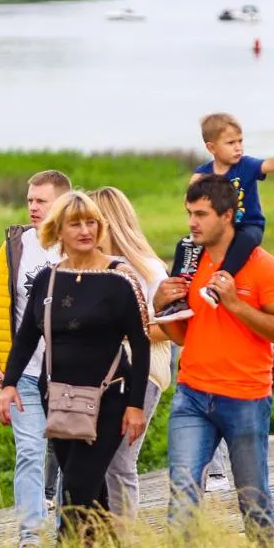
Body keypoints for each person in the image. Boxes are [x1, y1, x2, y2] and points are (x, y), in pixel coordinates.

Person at [152, 176, 274, 548]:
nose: (192, 222)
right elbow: (184, 336)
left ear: (227, 216)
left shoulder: (263, 266)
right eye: (189, 213)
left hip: (246, 397)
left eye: (200, 214)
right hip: (192, 395)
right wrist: (160, 305)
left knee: (252, 497)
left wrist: (236, 305)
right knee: (183, 493)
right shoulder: (190, 263)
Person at [0, 192, 151, 548]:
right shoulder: (47, 281)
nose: (85, 230)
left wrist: (135, 405)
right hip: (61, 400)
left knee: (75, 492)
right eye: (76, 223)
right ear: (59, 231)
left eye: (91, 222)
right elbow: (26, 339)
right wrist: (9, 386)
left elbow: (141, 345)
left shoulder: (118, 279)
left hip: (109, 399)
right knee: (92, 498)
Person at [0, 169, 71, 548]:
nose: (32, 207)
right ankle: (31, 534)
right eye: (30, 199)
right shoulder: (15, 246)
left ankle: (72, 526)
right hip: (25, 371)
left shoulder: (75, 245)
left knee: (69, 453)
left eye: (41, 200)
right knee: (30, 451)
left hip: (70, 371)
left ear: (61, 203)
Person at [161, 112, 274, 319]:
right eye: (230, 143)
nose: (238, 147)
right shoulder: (203, 173)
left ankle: (217, 285)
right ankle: (177, 299)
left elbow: (269, 164)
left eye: (240, 141)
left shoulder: (246, 165)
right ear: (211, 148)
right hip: (217, 229)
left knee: (244, 242)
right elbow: (191, 195)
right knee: (184, 244)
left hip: (248, 225)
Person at [90, 186, 174, 519]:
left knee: (120, 460)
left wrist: (121, 331)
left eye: (92, 220)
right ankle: (93, 539)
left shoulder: (148, 268)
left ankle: (122, 541)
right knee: (87, 460)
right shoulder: (96, 266)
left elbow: (170, 327)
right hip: (99, 373)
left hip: (142, 370)